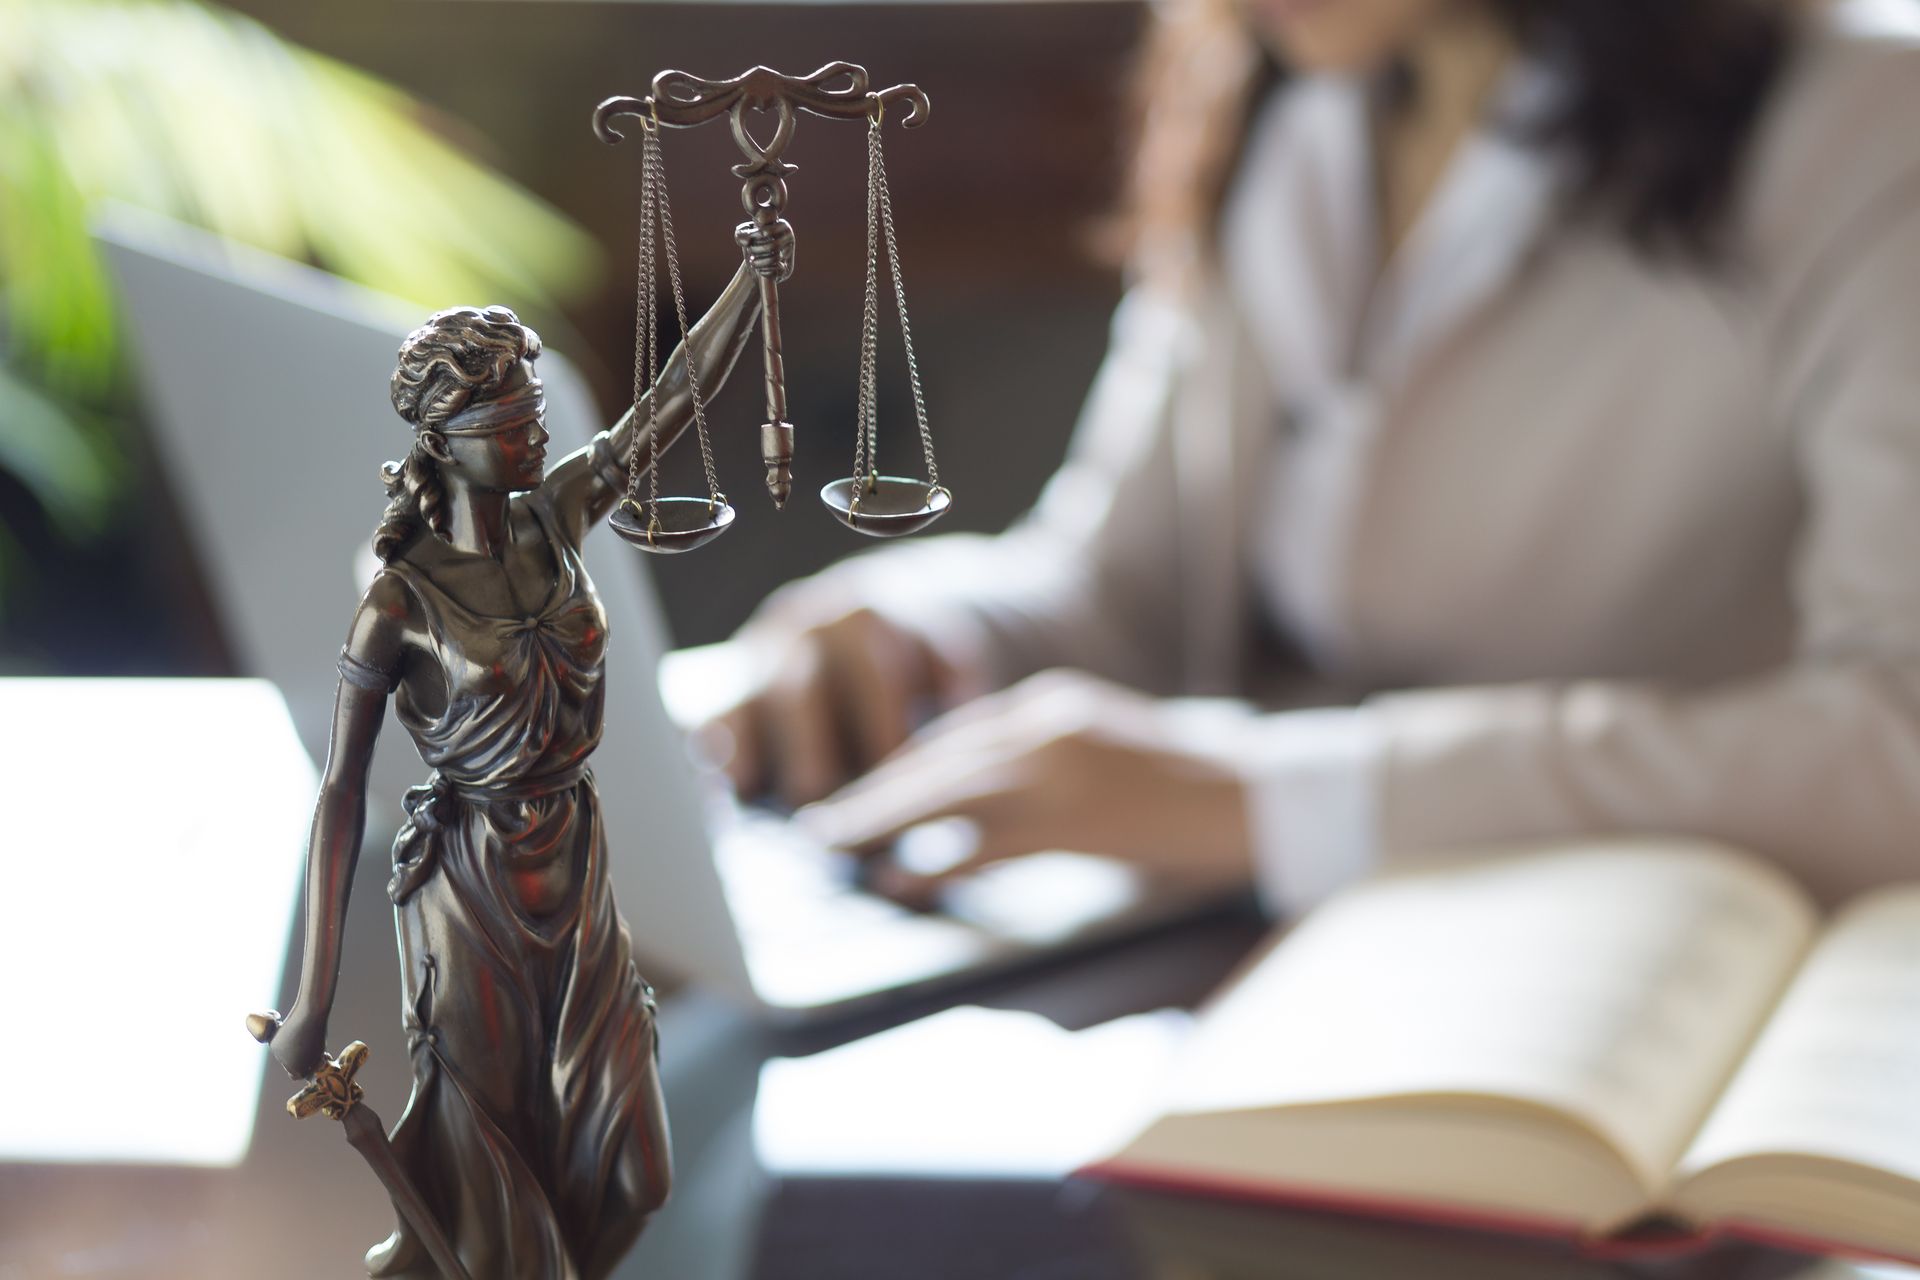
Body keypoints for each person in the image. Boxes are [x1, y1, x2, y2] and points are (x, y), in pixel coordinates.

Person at [708, 0, 1920, 913]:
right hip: (1269, 968)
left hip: (1627, 980)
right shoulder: (1291, 99)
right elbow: (1129, 586)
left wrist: (1264, 797)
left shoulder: (1865, 121)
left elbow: (1896, 742)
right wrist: (921, 625)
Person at [261, 226, 790, 1279]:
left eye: (536, 415)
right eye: (512, 424)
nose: (537, 436)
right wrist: (313, 998)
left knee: (635, 1173)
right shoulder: (398, 604)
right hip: (471, 891)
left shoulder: (559, 515)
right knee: (499, 1196)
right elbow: (340, 791)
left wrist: (754, 276)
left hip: (576, 866)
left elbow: (670, 401)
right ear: (446, 439)